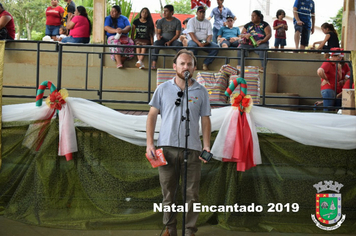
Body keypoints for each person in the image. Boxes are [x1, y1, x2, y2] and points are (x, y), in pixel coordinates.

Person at [146, 49, 211, 236]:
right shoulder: (163, 89)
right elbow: (151, 116)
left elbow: (205, 119)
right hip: (165, 149)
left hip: (192, 150)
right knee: (168, 193)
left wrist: (206, 145)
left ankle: (189, 231)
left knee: (192, 194)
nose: (185, 67)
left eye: (189, 64)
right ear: (174, 66)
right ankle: (170, 229)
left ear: (195, 67)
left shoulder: (201, 91)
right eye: (182, 63)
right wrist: (150, 143)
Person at [187, 6, 219, 71]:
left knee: (216, 47)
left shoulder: (208, 22)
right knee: (192, 46)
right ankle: (193, 65)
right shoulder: (191, 21)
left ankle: (206, 63)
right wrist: (198, 43)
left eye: (203, 12)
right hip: (193, 40)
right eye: (200, 12)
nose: (202, 14)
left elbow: (210, 35)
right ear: (197, 13)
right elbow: (191, 34)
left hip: (204, 41)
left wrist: (207, 42)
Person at [151, 5, 182, 70]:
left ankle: (178, 64)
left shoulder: (177, 21)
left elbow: (177, 35)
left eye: (166, 11)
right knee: (156, 43)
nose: (164, 13)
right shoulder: (160, 21)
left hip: (173, 40)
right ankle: (153, 63)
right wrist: (158, 36)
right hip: (163, 39)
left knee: (179, 45)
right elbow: (158, 32)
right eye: (163, 11)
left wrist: (170, 42)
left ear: (172, 12)